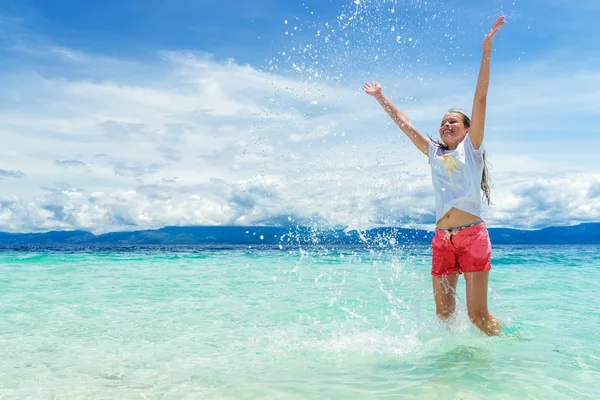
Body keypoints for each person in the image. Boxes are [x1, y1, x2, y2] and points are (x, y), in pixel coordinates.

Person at [363, 16, 506, 336]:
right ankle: (455, 366)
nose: (446, 125)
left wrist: (487, 51)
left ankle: (512, 348)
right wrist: (380, 97)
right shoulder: (434, 153)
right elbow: (405, 124)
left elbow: (480, 100)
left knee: (477, 316)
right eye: (443, 122)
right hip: (442, 240)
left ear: (467, 129)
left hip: (472, 236)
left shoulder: (471, 150)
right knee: (444, 315)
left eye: (453, 122)